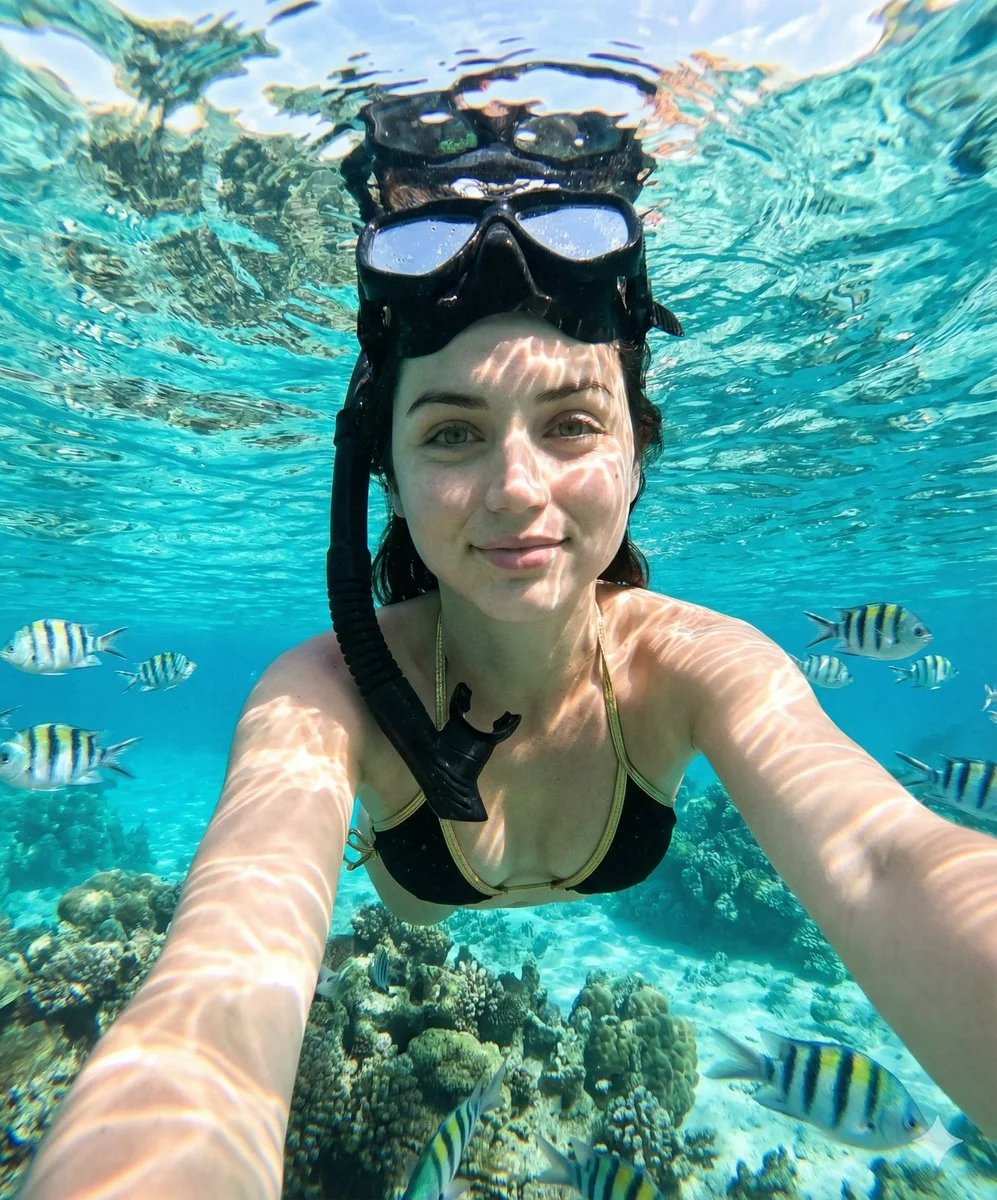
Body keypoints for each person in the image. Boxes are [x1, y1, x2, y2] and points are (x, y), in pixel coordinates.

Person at [19, 68, 997, 1199]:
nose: (516, 490)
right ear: (381, 467)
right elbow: (214, 978)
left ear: (638, 447)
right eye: (451, 432)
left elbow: (887, 861)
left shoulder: (695, 665)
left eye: (572, 421)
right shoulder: (328, 690)